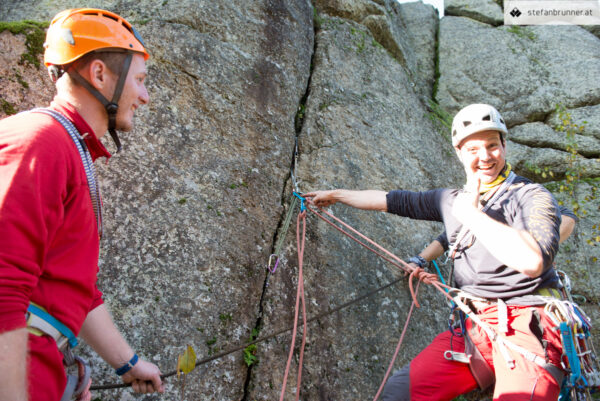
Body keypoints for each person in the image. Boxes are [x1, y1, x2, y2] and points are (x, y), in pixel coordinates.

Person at [305, 104, 567, 401]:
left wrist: (472, 214)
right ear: (459, 152)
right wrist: (336, 195)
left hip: (527, 326)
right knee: (398, 394)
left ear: (504, 145)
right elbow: (390, 200)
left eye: (493, 146)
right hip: (474, 329)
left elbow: (534, 261)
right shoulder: (450, 200)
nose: (485, 157)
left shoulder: (531, 196)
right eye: (473, 149)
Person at [0, 8, 164, 401]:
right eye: (139, 80)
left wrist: (127, 363)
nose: (144, 96)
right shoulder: (41, 142)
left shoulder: (68, 149)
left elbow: (76, 288)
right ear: (99, 74)